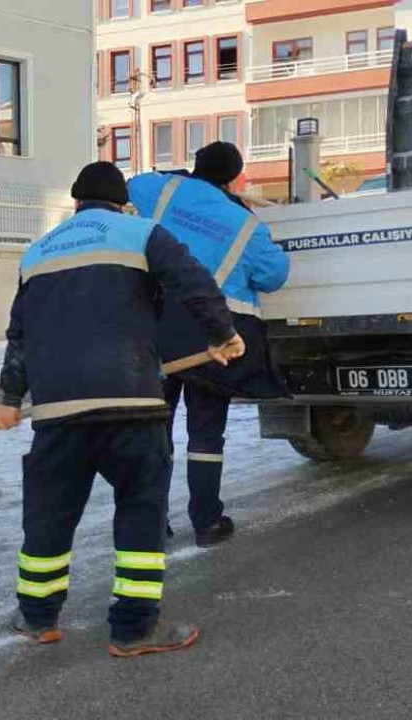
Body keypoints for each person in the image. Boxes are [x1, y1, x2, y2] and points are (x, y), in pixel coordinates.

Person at [0, 161, 244, 658]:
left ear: (76, 203)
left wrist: (7, 399)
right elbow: (194, 282)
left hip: (59, 411)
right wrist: (223, 335)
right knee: (140, 512)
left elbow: (19, 334)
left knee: (49, 513)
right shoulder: (142, 233)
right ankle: (132, 629)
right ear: (121, 201)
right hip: (131, 402)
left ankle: (38, 617)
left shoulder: (38, 251)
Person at [128, 142, 292, 548]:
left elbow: (130, 187)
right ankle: (206, 522)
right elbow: (273, 276)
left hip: (158, 330)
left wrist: (178, 179)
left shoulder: (159, 190)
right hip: (213, 338)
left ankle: (151, 523)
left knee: (155, 429)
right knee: (206, 433)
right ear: (235, 177)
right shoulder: (246, 223)